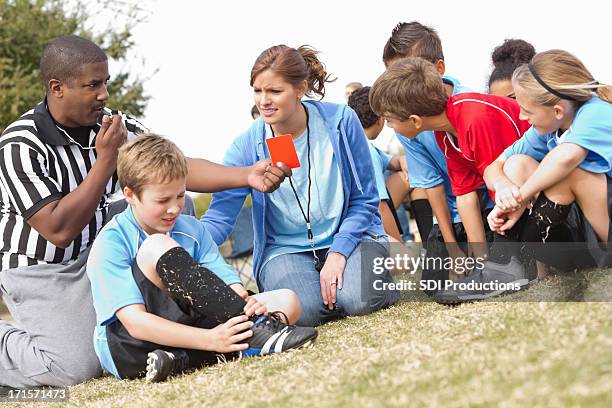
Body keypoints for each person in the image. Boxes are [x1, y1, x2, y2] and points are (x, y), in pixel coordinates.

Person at [0, 35, 289, 387]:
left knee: (169, 208)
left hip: (106, 250)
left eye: (105, 82)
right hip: (47, 267)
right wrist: (106, 161)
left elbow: (171, 169)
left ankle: (207, 332)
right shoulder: (19, 145)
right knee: (76, 368)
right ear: (57, 88)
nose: (104, 94)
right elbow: (58, 229)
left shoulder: (115, 124)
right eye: (93, 85)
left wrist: (245, 175)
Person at [87, 134, 317, 382]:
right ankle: (244, 338)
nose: (174, 208)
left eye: (180, 196)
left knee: (288, 300)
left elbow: (223, 276)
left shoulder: (191, 228)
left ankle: (183, 359)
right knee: (157, 245)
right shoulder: (110, 241)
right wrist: (211, 339)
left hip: (190, 327)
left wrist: (245, 302)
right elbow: (135, 323)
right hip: (132, 345)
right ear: (130, 195)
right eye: (163, 200)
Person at [203, 45, 399, 326]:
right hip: (284, 250)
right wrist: (186, 244)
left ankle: (366, 279)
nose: (264, 101)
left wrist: (339, 252)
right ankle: (329, 291)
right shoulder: (246, 145)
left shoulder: (341, 123)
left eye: (274, 91)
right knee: (303, 311)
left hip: (349, 239)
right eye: (258, 91)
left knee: (360, 299)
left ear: (300, 89)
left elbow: (365, 200)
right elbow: (220, 217)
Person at [370, 57, 531, 296]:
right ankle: (491, 269)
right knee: (436, 283)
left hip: (533, 187)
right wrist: (481, 261)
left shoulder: (473, 116)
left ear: (415, 121)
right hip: (512, 197)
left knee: (508, 171)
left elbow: (498, 182)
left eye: (391, 120)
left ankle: (509, 267)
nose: (390, 127)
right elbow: (465, 194)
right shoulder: (444, 133)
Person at [380, 22, 495, 290]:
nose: (399, 85)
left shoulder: (471, 105)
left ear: (438, 69)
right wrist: (453, 250)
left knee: (499, 265)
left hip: (489, 205)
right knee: (435, 283)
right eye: (392, 75)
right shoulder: (405, 124)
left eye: (408, 74)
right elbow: (431, 184)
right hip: (452, 213)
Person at [483, 49, 612, 277]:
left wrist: (518, 199)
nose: (522, 117)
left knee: (572, 172)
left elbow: (567, 157)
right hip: (589, 226)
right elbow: (494, 167)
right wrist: (505, 190)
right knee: (516, 164)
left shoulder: (597, 111)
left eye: (526, 110)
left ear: (557, 111)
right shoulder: (549, 130)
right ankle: (552, 267)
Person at [347, 86, 406, 241]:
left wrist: (404, 160)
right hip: (364, 221)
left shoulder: (360, 143)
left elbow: (394, 163)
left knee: (409, 177)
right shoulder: (367, 151)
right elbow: (379, 206)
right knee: (405, 262)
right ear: (380, 119)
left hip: (353, 216)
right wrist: (397, 243)